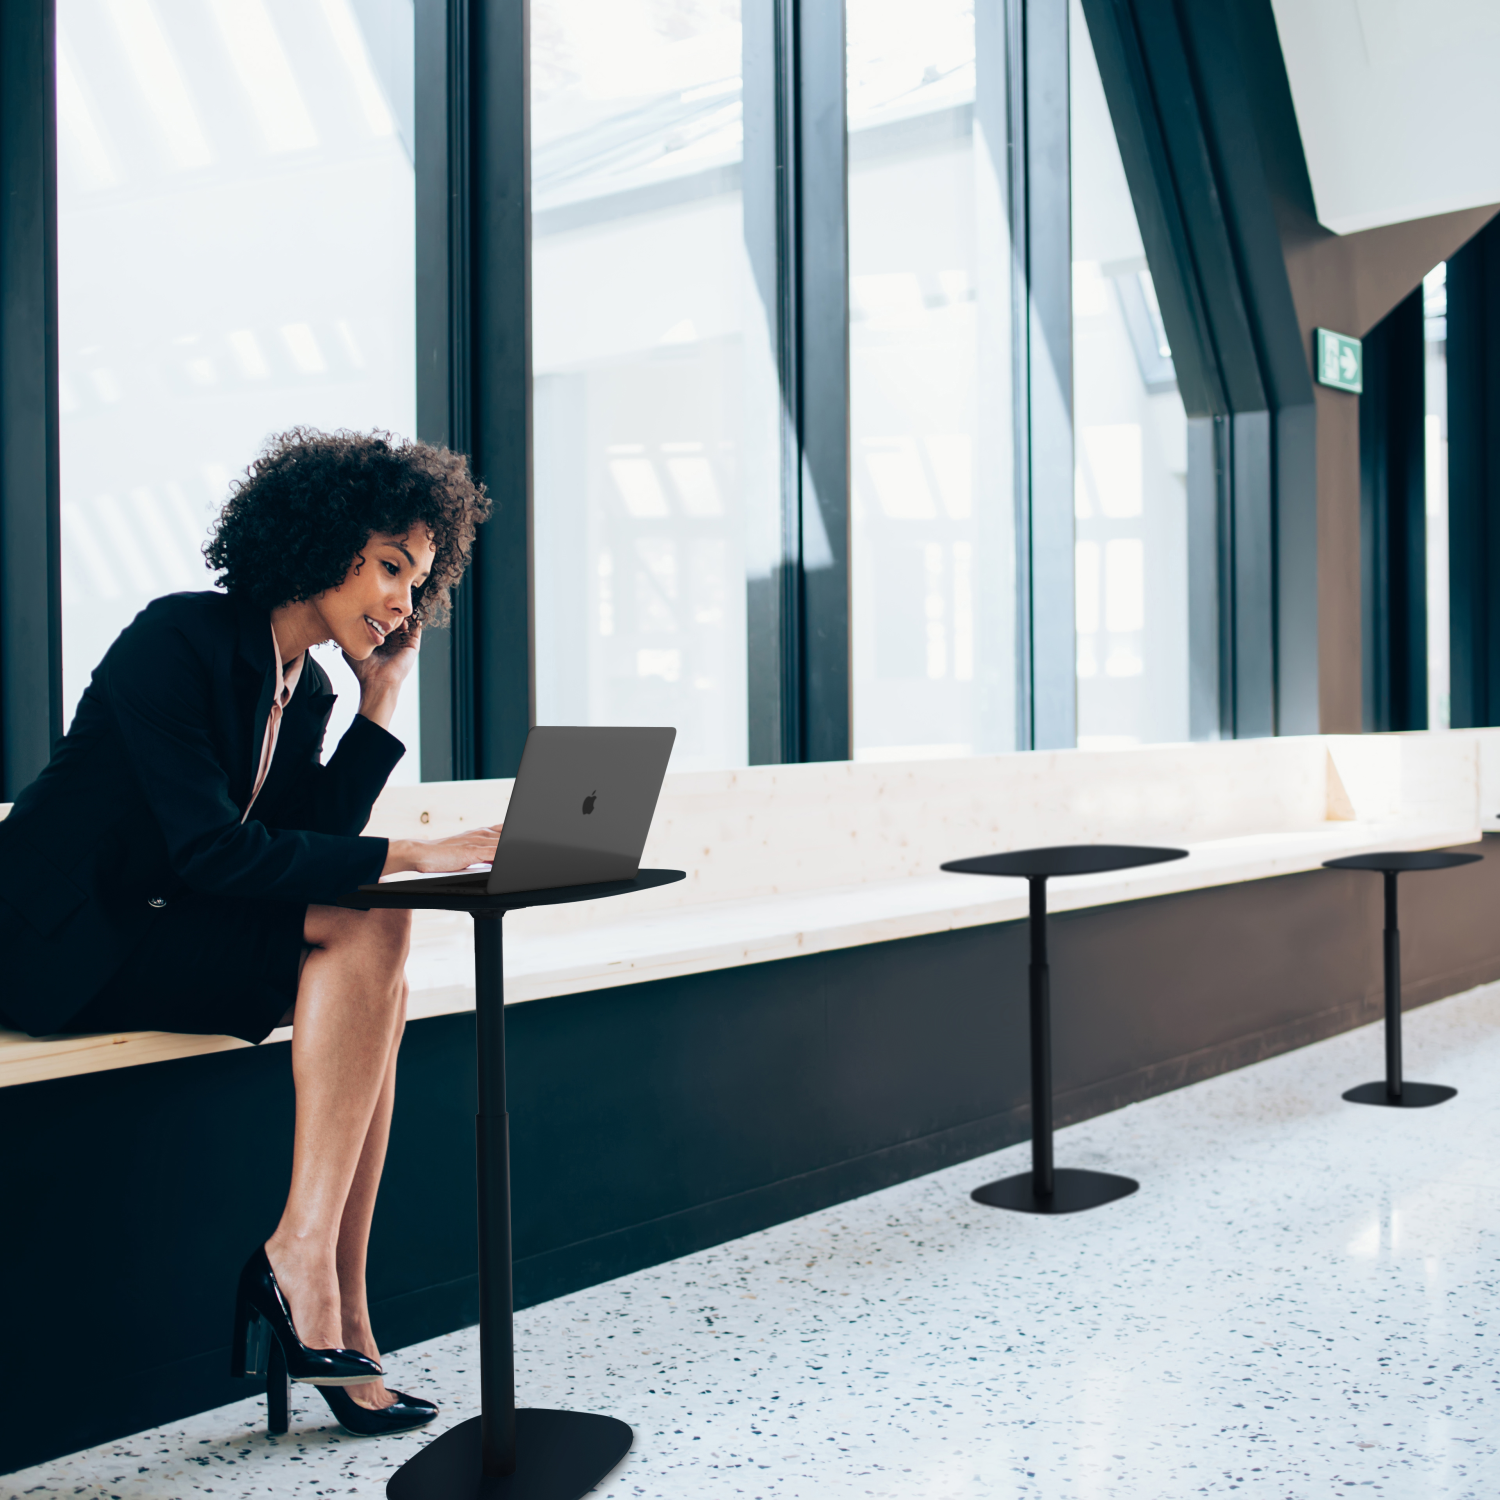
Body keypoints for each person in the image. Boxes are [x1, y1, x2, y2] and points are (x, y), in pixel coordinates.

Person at [0, 428, 499, 1436]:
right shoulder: (175, 641)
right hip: (55, 945)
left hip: (154, 929)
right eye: (391, 568)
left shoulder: (305, 684)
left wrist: (380, 704)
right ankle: (311, 1276)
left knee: (376, 946)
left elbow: (300, 847)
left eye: (420, 581)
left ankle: (332, 1294)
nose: (406, 603)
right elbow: (214, 855)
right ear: (319, 540)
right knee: (377, 922)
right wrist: (412, 853)